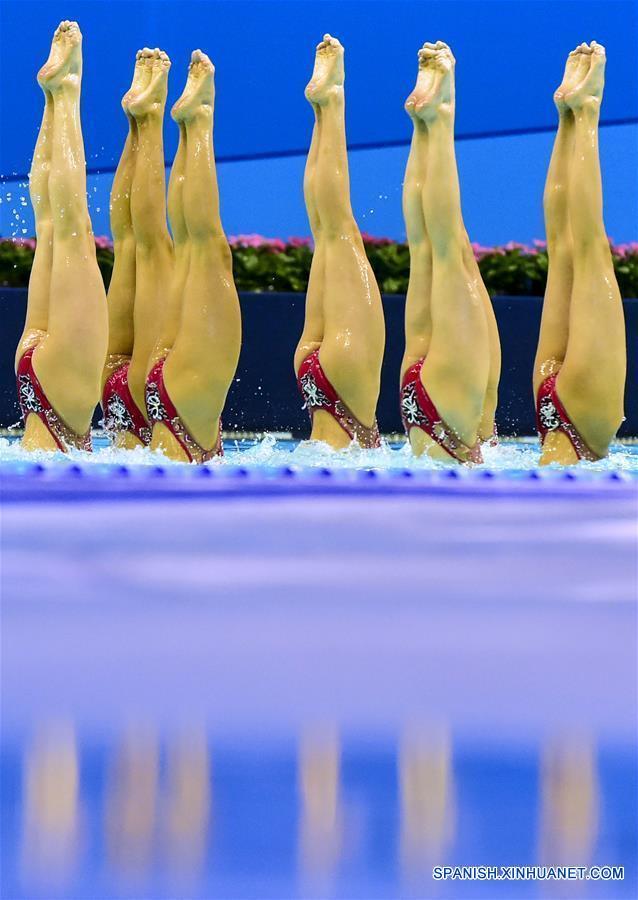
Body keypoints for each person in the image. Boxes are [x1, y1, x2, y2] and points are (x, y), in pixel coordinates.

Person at [400, 41, 501, 463]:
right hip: (427, 411)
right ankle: (427, 127)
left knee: (444, 252)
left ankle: (438, 120)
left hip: (448, 415)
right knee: (428, 250)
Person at [15, 21, 108, 452]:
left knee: (71, 230)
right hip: (33, 388)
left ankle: (67, 91)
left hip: (60, 398)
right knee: (49, 226)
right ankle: (53, 101)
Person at [533, 42, 625, 464]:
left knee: (585, 248)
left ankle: (584, 112)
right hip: (549, 414)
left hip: (584, 421)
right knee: (564, 248)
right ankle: (569, 117)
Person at [295, 35, 385, 450]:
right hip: (319, 387)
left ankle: (328, 107)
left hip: (345, 394)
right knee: (329, 233)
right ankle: (326, 107)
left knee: (335, 231)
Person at [101, 48, 174, 449]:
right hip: (121, 401)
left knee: (140, 244)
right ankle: (143, 118)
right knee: (133, 242)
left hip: (132, 399)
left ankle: (145, 118)